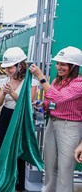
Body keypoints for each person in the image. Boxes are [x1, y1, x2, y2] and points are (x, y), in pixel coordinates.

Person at [30, 46, 82, 192]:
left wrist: (41, 77)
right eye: (58, 63)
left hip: (70, 127)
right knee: (50, 165)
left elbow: (59, 98)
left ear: (73, 66)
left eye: (63, 64)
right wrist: (42, 104)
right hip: (52, 124)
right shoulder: (55, 82)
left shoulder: (79, 83)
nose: (58, 67)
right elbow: (51, 102)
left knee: (65, 170)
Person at [0, 47, 38, 191]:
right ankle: (1, 181)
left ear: (20, 65)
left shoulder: (31, 82)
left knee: (18, 151)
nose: (7, 71)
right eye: (6, 68)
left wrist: (12, 92)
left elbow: (25, 104)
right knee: (3, 149)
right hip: (6, 116)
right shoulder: (3, 81)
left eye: (10, 67)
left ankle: (18, 185)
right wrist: (3, 92)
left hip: (20, 118)